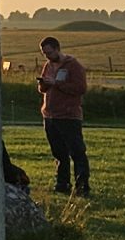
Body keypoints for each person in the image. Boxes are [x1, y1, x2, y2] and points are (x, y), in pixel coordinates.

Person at [36, 36, 91, 199]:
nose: (47, 56)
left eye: (49, 52)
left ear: (57, 48)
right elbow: (44, 89)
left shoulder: (74, 66)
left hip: (68, 115)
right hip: (50, 115)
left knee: (77, 152)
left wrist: (56, 84)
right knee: (59, 153)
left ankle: (82, 186)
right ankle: (62, 184)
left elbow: (80, 88)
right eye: (44, 54)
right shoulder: (48, 65)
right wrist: (44, 83)